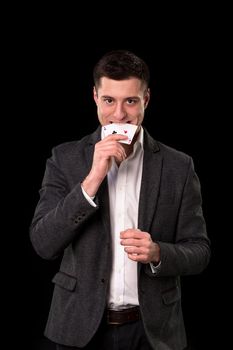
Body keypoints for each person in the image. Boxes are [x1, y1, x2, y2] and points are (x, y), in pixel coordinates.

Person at [30, 49, 211, 350]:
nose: (118, 115)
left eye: (130, 101)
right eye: (109, 100)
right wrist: (92, 179)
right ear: (94, 97)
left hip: (153, 332)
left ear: (146, 100)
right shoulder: (65, 159)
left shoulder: (179, 167)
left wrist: (157, 253)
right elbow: (43, 243)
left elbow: (200, 251)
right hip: (78, 328)